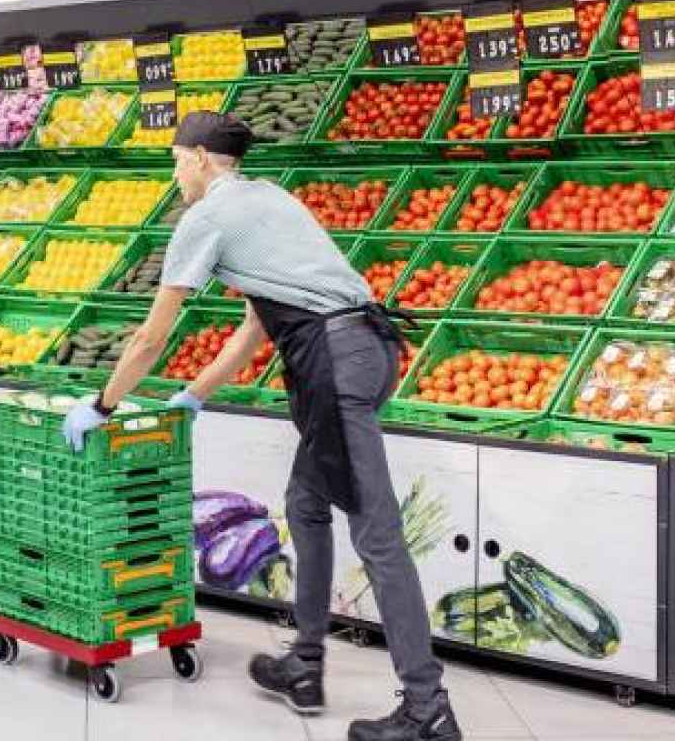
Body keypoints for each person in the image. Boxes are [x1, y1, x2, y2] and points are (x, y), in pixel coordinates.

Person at [62, 111, 460, 741]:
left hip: (335, 363)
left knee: (379, 537)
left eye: (174, 162)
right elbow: (255, 326)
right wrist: (193, 396)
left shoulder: (207, 217)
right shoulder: (269, 198)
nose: (174, 176)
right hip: (366, 351)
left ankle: (426, 707)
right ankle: (305, 663)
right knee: (306, 503)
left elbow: (150, 336)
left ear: (197, 158)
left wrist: (104, 404)